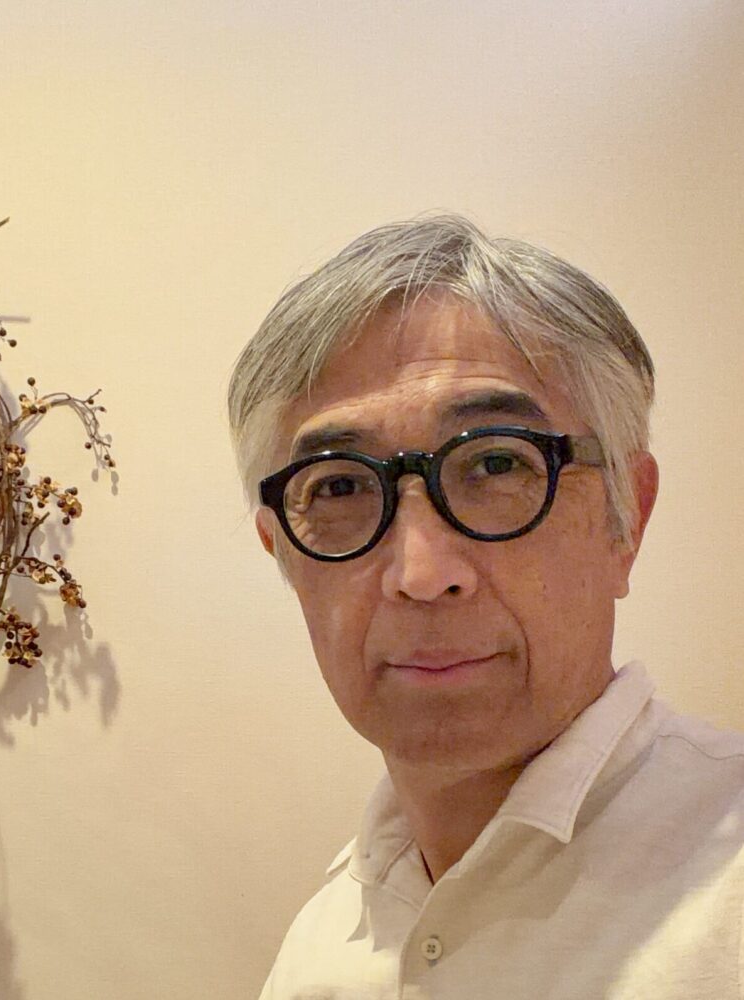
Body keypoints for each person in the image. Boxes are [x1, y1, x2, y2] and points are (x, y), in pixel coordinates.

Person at [228, 215, 744, 999]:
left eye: (498, 463)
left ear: (626, 520)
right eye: (339, 486)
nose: (422, 573)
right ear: (283, 555)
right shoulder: (317, 953)